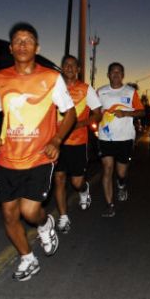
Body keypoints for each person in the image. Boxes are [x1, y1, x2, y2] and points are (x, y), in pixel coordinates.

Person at [0, 22, 76, 281]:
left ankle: (45, 224)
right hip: (7, 158)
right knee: (9, 214)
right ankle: (27, 258)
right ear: (11, 48)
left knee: (30, 212)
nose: (23, 44)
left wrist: (56, 140)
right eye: (18, 41)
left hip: (40, 157)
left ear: (37, 47)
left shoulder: (51, 78)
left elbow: (70, 114)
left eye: (28, 40)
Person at [53, 55, 102, 234]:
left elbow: (98, 114)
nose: (69, 68)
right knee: (59, 179)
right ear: (62, 68)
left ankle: (84, 189)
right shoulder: (54, 89)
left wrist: (80, 124)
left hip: (78, 142)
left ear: (79, 69)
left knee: (76, 182)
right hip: (57, 142)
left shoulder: (86, 89)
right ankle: (64, 217)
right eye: (66, 65)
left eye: (73, 65)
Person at [95, 62, 145, 218]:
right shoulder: (100, 92)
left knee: (121, 172)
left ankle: (121, 184)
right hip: (105, 137)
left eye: (119, 72)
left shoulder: (130, 92)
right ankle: (110, 205)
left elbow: (142, 112)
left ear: (123, 75)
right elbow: (95, 112)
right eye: (112, 72)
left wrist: (126, 114)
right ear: (108, 74)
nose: (116, 74)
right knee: (107, 169)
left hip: (125, 138)